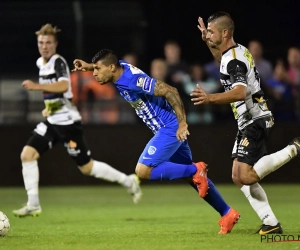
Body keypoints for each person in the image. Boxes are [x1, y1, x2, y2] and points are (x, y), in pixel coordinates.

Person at [72, 49, 240, 234]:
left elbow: (170, 90)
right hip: (169, 127)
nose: (94, 73)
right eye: (94, 69)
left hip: (169, 127)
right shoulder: (119, 68)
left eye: (97, 69)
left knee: (143, 171)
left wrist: (182, 123)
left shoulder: (132, 81)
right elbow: (111, 62)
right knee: (192, 178)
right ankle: (227, 213)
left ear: (111, 68)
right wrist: (89, 66)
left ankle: (196, 168)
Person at [12, 24, 142, 217]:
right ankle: (33, 204)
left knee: (87, 167)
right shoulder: (42, 63)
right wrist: (49, 108)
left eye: (48, 42)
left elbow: (64, 86)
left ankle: (128, 181)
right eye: (41, 42)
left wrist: (36, 86)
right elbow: (57, 93)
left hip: (68, 124)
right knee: (27, 155)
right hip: (53, 121)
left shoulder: (58, 62)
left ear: (55, 44)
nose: (44, 46)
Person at [191, 11, 300, 235]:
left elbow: (240, 92)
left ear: (224, 32)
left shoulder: (235, 60)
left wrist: (210, 98)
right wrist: (209, 43)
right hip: (248, 121)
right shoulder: (235, 52)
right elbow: (224, 62)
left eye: (211, 32)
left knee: (246, 176)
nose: (208, 35)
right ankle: (271, 223)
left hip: (255, 119)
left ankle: (294, 148)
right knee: (237, 177)